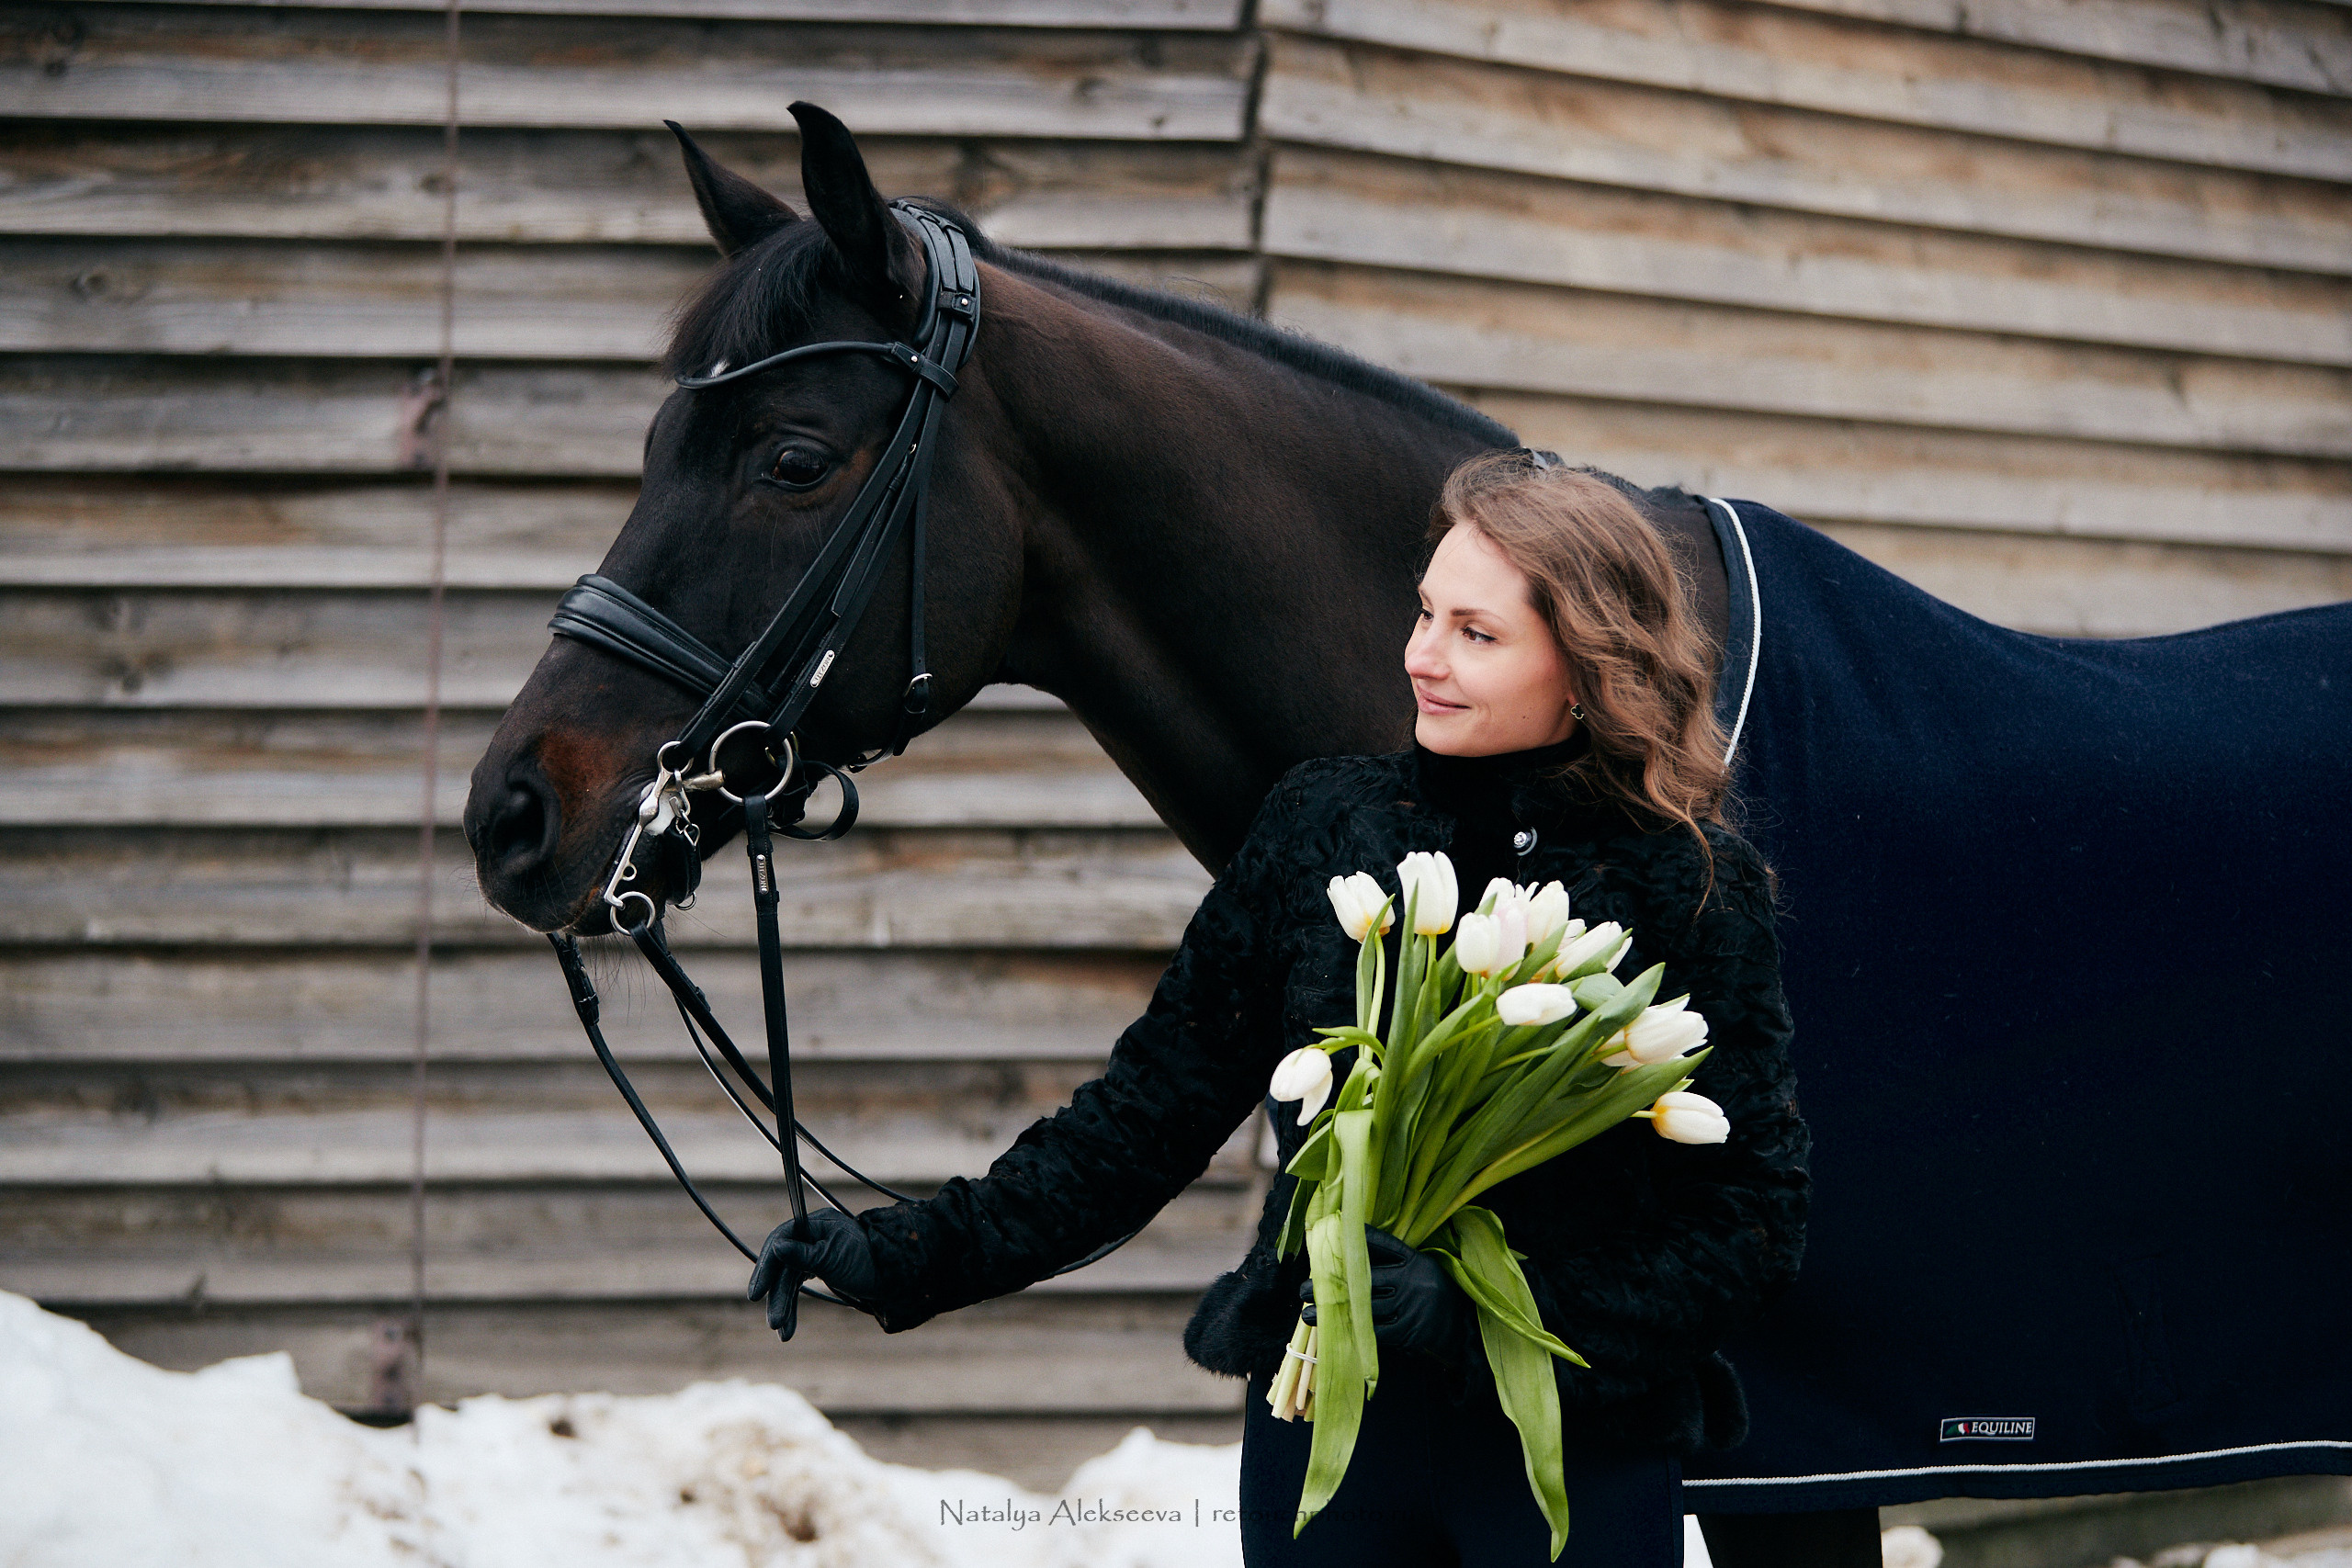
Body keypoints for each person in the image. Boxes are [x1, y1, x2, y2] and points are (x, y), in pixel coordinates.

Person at [750, 450, 1812, 1565]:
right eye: (1424, 614)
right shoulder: (1324, 829)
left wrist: (1491, 1315)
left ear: (1589, 667)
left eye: (1475, 633)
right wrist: (913, 1253)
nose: (1422, 657)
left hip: (1570, 1457)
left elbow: (1749, 1222)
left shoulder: (1685, 884)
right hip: (1327, 1438)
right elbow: (1143, 1114)